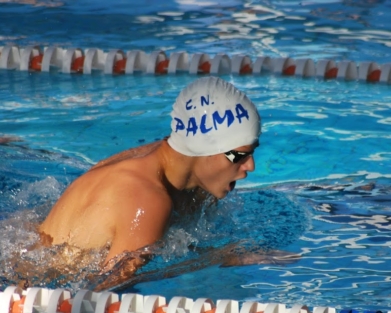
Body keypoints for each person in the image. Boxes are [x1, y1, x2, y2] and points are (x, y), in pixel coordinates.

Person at [38, 76, 262, 288]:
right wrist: (221, 257)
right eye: (237, 156)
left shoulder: (183, 171)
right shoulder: (148, 201)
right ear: (203, 148)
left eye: (251, 153)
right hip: (36, 283)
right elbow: (99, 292)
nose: (250, 166)